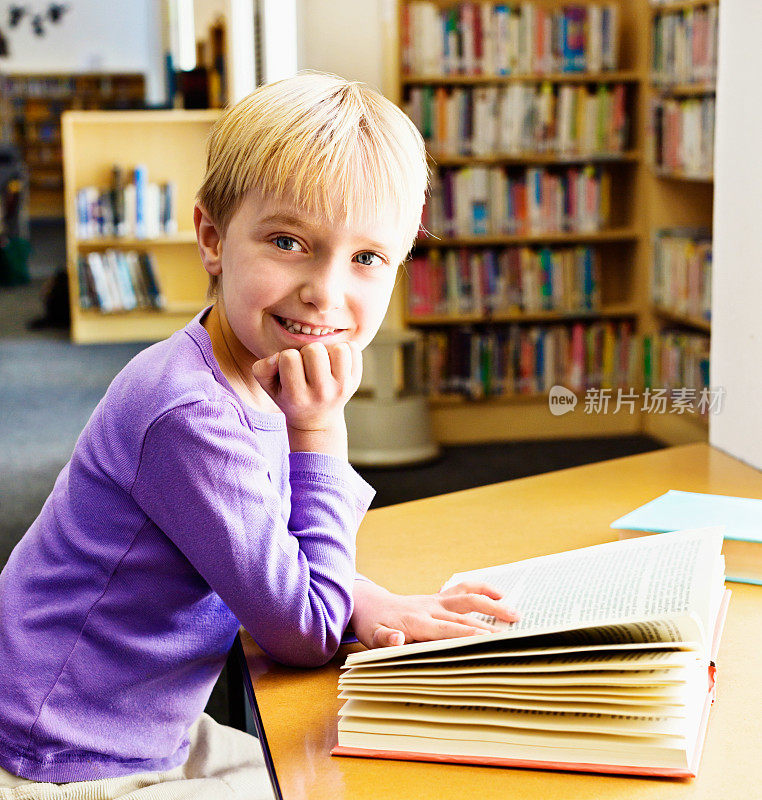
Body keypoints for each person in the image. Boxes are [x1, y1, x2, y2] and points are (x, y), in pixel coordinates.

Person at [0, 73, 518, 798]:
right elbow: (301, 633)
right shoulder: (191, 413)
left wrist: (362, 600)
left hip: (134, 718)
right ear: (213, 238)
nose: (325, 291)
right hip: (60, 749)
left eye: (368, 258)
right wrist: (320, 430)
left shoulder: (250, 365)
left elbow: (265, 540)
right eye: (288, 241)